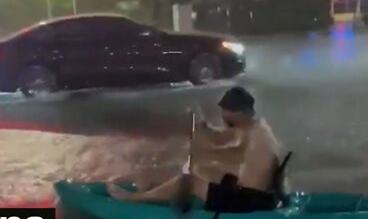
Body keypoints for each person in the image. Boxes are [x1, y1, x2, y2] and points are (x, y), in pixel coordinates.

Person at [107, 87, 281, 211]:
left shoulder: (255, 138)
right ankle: (157, 191)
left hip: (252, 199)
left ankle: (133, 199)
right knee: (204, 170)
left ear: (238, 113)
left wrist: (205, 154)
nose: (223, 115)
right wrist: (202, 128)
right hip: (258, 193)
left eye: (225, 111)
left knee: (189, 181)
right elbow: (225, 143)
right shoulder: (254, 127)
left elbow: (228, 153)